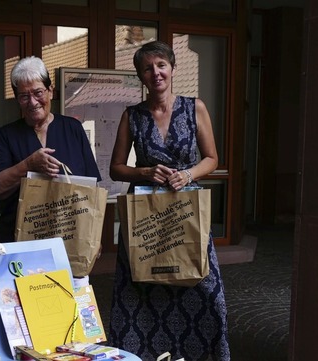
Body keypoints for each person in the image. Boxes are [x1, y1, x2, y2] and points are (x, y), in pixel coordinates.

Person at [108, 40, 230, 361]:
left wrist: (188, 175)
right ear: (141, 77)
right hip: (145, 217)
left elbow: (212, 158)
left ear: (172, 69)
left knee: (205, 291)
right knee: (140, 291)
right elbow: (116, 168)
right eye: (147, 68)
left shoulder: (194, 108)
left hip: (186, 212)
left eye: (161, 65)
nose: (156, 72)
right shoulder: (132, 115)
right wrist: (146, 171)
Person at [0, 56, 101, 243]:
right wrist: (28, 165)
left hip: (69, 237)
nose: (32, 102)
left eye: (38, 92)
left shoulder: (73, 128)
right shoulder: (7, 135)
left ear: (50, 91)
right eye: (24, 96)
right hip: (19, 239)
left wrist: (93, 235)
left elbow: (93, 187)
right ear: (17, 99)